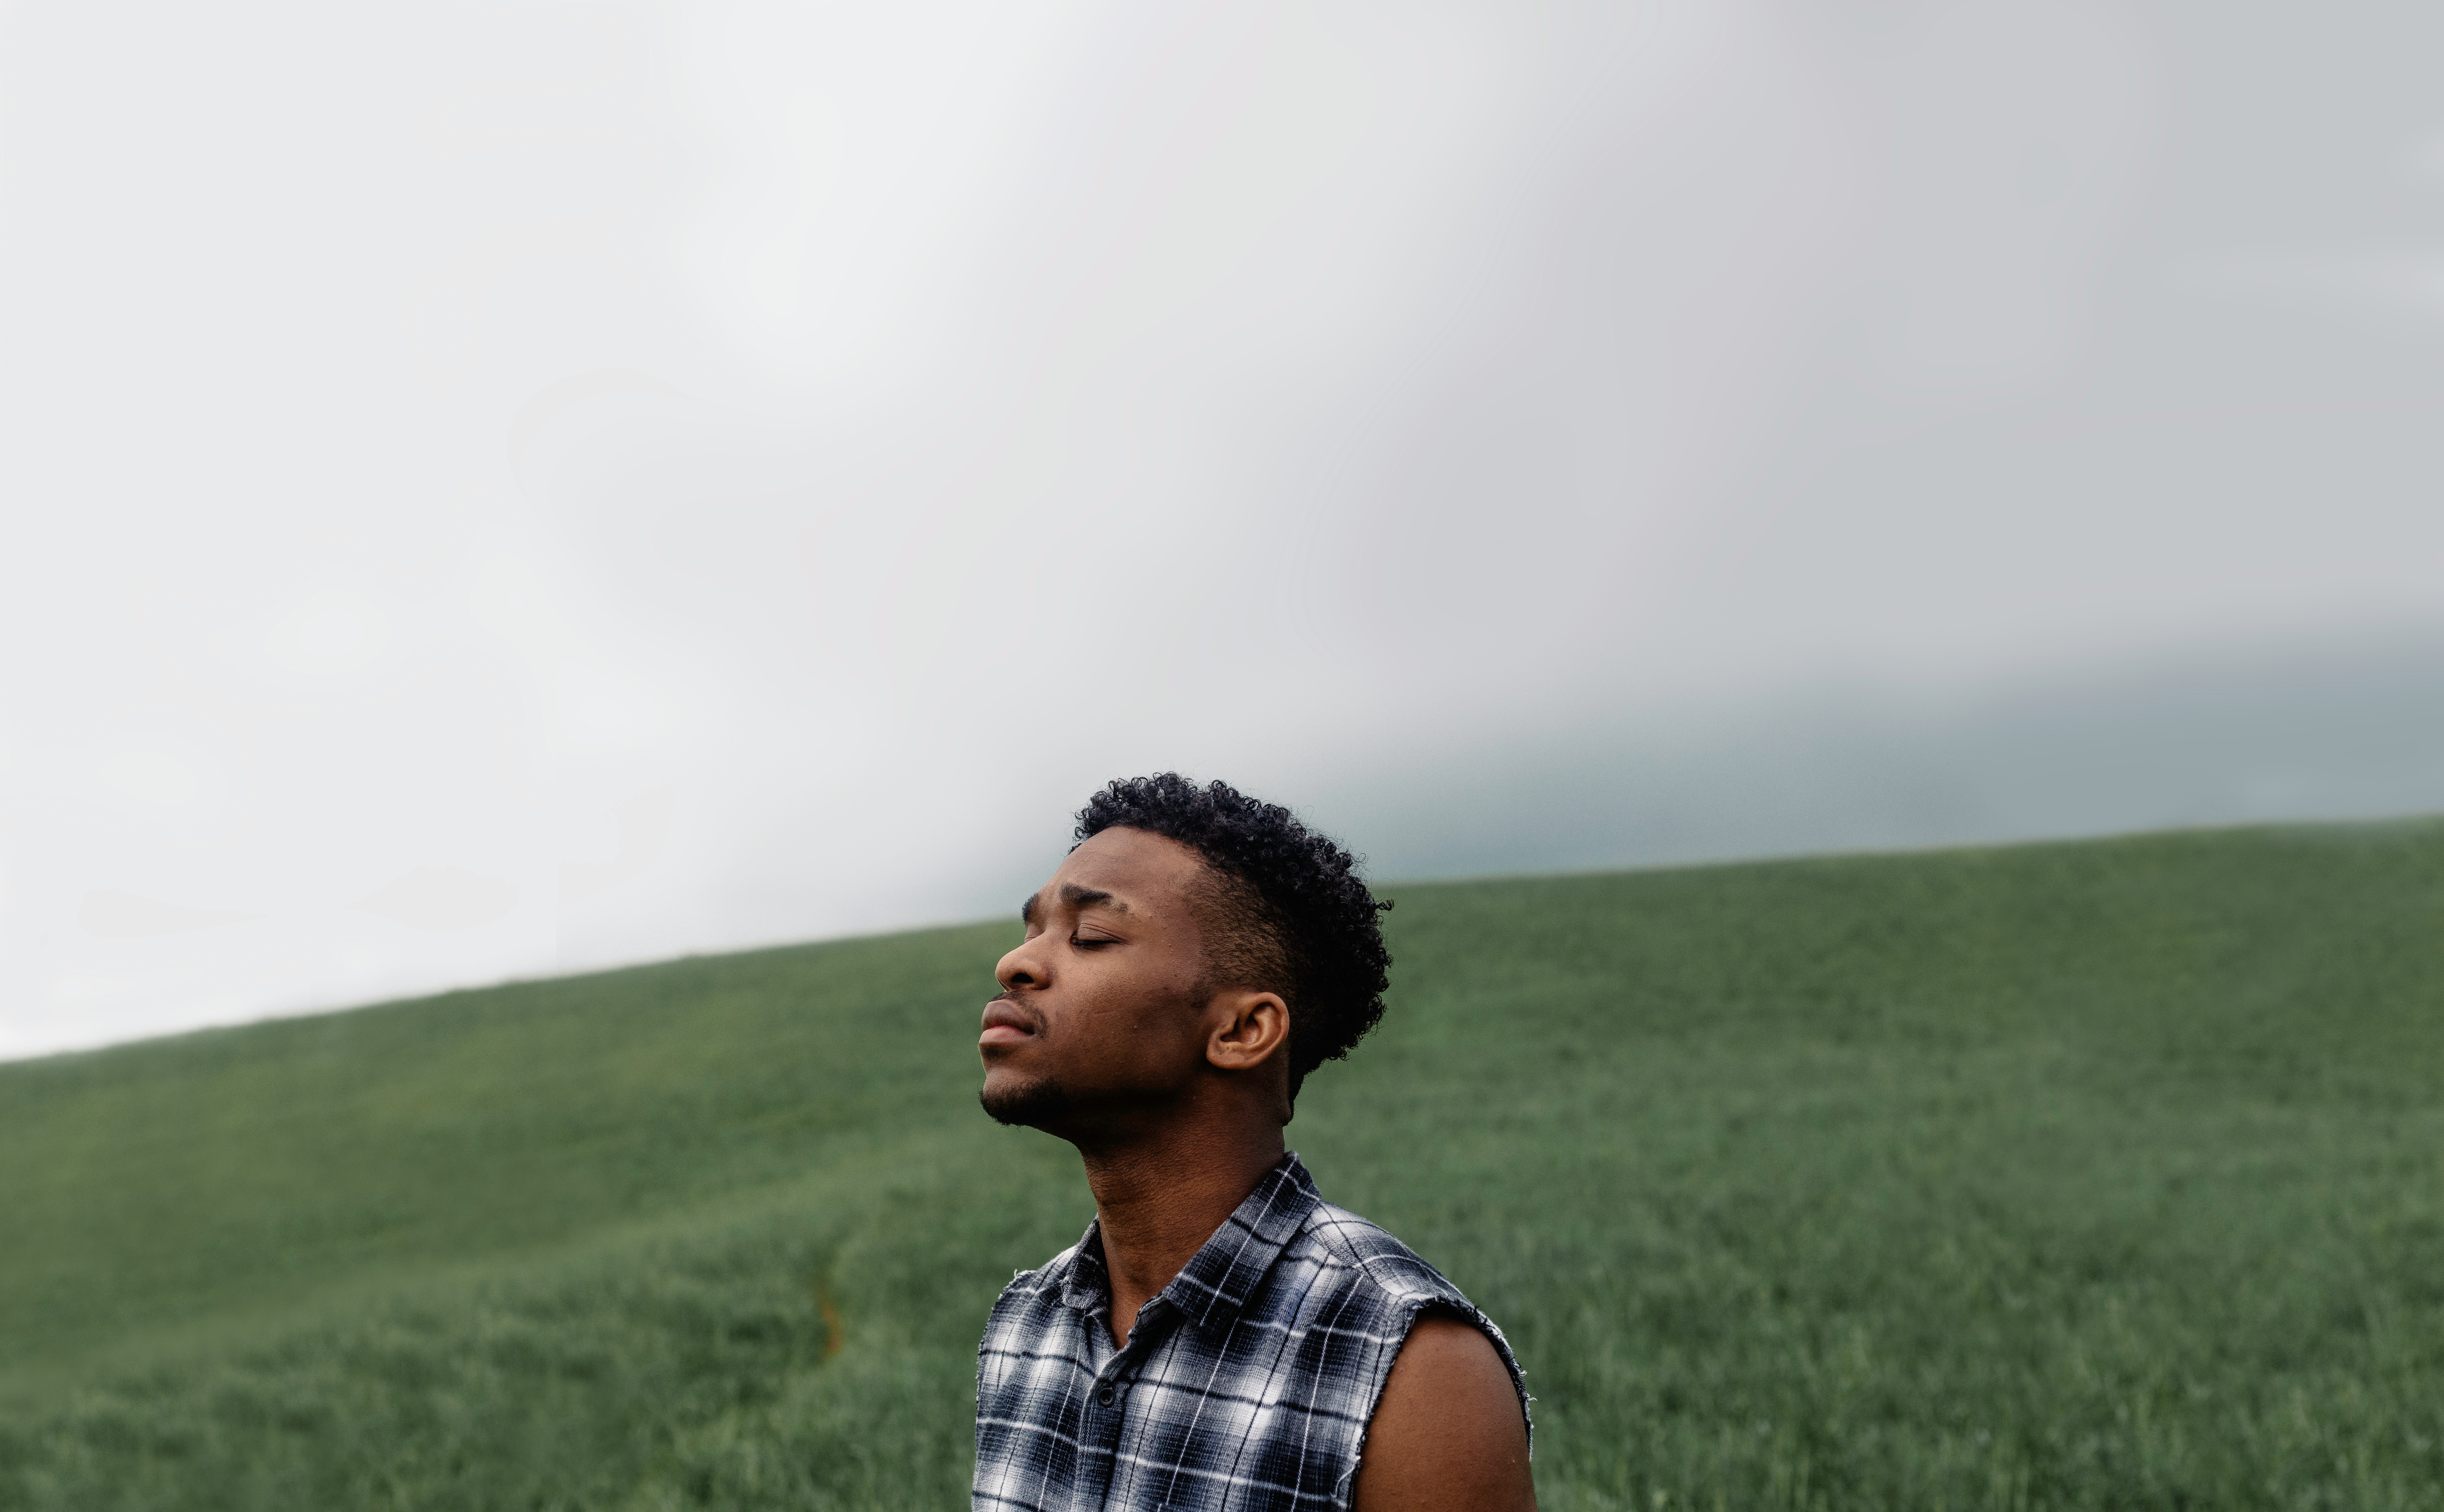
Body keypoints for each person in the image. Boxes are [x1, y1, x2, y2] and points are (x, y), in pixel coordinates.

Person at [972, 774, 1536, 1511]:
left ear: (1242, 1031)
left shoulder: (1410, 1365)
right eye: (1031, 929)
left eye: (1091, 936)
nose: (1016, 964)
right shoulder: (1024, 1325)